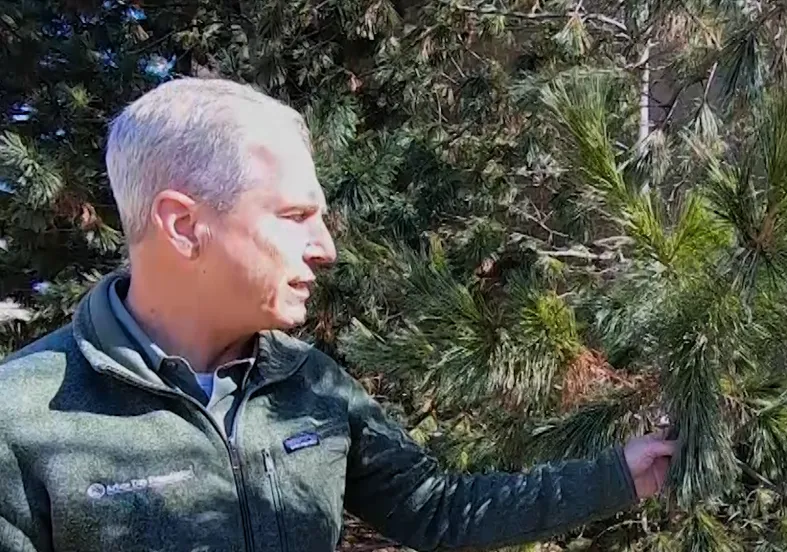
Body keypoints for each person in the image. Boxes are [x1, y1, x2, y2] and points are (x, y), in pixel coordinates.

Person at [0, 77, 676, 552]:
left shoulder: (310, 384)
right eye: (294, 215)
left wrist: (622, 473)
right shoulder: (20, 421)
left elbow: (438, 509)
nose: (325, 248)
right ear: (183, 225)